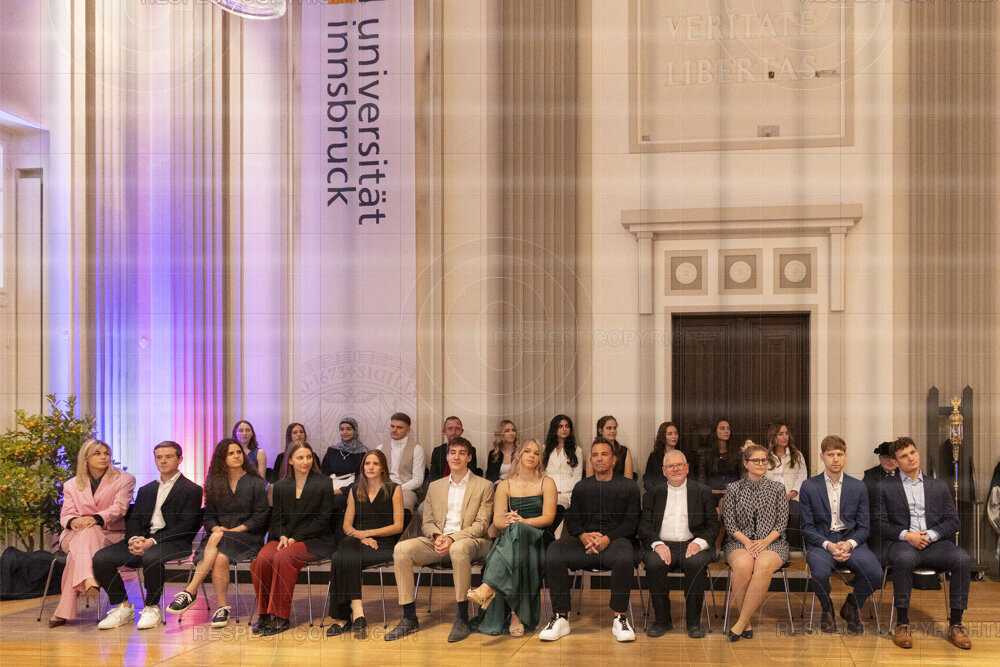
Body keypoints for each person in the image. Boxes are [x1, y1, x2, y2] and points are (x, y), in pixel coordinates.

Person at [385, 437, 493, 643]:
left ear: (469, 458)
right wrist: (437, 536)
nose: (456, 457)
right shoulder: (435, 486)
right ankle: (409, 617)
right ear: (447, 456)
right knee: (401, 549)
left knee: (458, 549)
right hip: (439, 540)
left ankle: (462, 617)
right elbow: (427, 522)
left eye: (462, 453)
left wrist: (452, 539)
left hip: (472, 541)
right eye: (453, 452)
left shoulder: (484, 485)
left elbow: (481, 526)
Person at [540, 438, 641, 643]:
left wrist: (607, 538)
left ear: (614, 460)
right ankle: (561, 617)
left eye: (604, 454)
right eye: (595, 455)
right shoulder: (582, 487)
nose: (599, 459)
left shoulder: (629, 486)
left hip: (615, 542)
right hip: (585, 543)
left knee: (625, 553)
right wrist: (583, 536)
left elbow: (632, 523)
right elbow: (573, 519)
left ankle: (619, 617)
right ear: (591, 460)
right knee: (555, 550)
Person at [94, 441, 203, 630]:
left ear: (179, 459)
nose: (163, 461)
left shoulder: (192, 490)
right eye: (159, 457)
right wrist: (134, 539)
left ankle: (152, 607)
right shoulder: (147, 490)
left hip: (174, 541)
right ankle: (122, 606)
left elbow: (186, 526)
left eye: (168, 457)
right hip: (143, 540)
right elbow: (134, 519)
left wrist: (151, 541)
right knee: (101, 558)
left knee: (152, 556)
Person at [877, 436, 971, 650]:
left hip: (934, 543)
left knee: (962, 558)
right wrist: (907, 536)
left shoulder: (938, 486)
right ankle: (902, 624)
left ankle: (956, 623)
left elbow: (953, 521)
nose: (910, 458)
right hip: (903, 543)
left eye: (912, 452)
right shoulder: (884, 487)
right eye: (904, 456)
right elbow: (879, 524)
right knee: (904, 559)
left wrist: (930, 535)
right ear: (896, 462)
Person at [166, 439, 269, 627]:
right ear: (222, 458)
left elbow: (260, 517)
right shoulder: (214, 483)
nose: (237, 456)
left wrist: (234, 530)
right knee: (221, 557)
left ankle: (190, 591)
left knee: (217, 539)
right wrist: (215, 528)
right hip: (219, 538)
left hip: (247, 537)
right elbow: (209, 517)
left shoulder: (256, 483)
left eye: (239, 452)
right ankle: (222, 608)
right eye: (231, 453)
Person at [467, 439, 557, 636]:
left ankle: (488, 586)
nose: (532, 455)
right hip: (514, 539)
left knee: (517, 532)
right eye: (527, 451)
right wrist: (508, 522)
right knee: (516, 539)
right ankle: (516, 615)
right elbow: (498, 521)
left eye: (536, 453)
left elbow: (548, 518)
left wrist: (523, 521)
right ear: (518, 455)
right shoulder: (504, 485)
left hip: (539, 539)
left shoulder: (547, 482)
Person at [798, 435, 882, 634]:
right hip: (822, 541)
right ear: (822, 457)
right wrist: (829, 545)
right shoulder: (809, 486)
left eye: (839, 454)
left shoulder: (858, 486)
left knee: (876, 574)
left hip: (851, 540)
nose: (835, 459)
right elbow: (807, 527)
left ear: (845, 456)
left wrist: (849, 543)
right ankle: (826, 608)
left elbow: (864, 527)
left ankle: (852, 605)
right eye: (830, 455)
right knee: (819, 574)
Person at [250, 442, 335, 636]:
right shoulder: (281, 486)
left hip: (315, 539)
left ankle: (280, 616)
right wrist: (282, 535)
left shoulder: (323, 483)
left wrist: (295, 538)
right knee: (262, 559)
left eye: (308, 457)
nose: (305, 462)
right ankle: (264, 614)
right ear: (290, 461)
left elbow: (323, 520)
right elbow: (276, 518)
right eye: (300, 458)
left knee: (283, 557)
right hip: (285, 538)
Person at [49, 439, 135, 627]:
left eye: (106, 453)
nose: (103, 457)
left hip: (110, 535)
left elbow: (119, 508)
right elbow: (66, 514)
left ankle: (64, 610)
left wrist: (95, 518)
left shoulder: (124, 479)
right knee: (87, 533)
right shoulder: (71, 485)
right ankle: (89, 578)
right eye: (97, 453)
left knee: (79, 550)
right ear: (86, 458)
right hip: (75, 533)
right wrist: (74, 521)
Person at [638, 449, 718, 638]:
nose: (675, 469)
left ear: (687, 468)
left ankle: (693, 622)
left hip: (692, 543)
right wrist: (657, 544)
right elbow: (644, 526)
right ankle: (662, 621)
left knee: (695, 563)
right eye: (671, 466)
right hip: (662, 544)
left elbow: (713, 525)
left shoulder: (703, 491)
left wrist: (699, 543)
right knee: (654, 564)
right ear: (664, 471)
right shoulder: (652, 494)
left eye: (679, 465)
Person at [326, 449, 404, 638]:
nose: (371, 467)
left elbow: (398, 526)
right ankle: (357, 609)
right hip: (358, 541)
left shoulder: (394, 489)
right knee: (346, 547)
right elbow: (347, 526)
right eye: (367, 463)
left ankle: (342, 618)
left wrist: (368, 533)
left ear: (383, 467)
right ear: (362, 467)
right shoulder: (355, 490)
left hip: (382, 545)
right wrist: (362, 537)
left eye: (375, 463)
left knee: (339, 557)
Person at [721, 442, 789, 642]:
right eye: (756, 460)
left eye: (764, 460)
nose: (761, 464)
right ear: (745, 463)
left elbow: (782, 522)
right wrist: (748, 543)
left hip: (773, 542)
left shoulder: (777, 488)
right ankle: (747, 621)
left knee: (763, 564)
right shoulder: (733, 488)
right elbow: (729, 523)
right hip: (739, 542)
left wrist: (764, 542)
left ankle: (741, 622)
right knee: (743, 565)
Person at [764, 422, 808, 550]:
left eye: (786, 433)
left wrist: (792, 493)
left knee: (795, 515)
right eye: (780, 434)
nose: (785, 437)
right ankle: (773, 545)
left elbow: (802, 477)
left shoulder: (797, 455)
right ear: (773, 436)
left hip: (792, 497)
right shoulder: (765, 456)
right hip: (771, 498)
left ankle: (786, 544)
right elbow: (762, 478)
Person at [375, 412, 425, 510]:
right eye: (392, 426)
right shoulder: (380, 448)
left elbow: (418, 480)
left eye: (399, 427)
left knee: (404, 503)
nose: (394, 430)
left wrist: (398, 489)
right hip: (383, 487)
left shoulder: (417, 449)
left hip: (407, 489)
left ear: (408, 430)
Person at [322, 417, 368, 510]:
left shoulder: (362, 452)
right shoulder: (332, 450)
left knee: (337, 502)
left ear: (355, 431)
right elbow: (323, 473)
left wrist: (343, 490)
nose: (345, 432)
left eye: (349, 429)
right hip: (330, 486)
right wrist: (326, 488)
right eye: (342, 429)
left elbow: (361, 478)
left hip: (349, 489)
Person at [862, 441, 897, 557]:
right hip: (878, 526)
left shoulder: (905, 474)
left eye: (893, 457)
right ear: (880, 458)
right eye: (887, 457)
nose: (891, 461)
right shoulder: (870, 476)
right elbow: (868, 505)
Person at [542, 414, 584, 511]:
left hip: (565, 492)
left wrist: (559, 489)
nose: (564, 429)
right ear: (554, 429)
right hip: (546, 489)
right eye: (560, 426)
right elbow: (541, 472)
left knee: (558, 505)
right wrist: (549, 489)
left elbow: (577, 477)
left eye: (567, 426)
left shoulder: (577, 450)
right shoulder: (544, 449)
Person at [695, 419, 741, 501]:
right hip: (711, 495)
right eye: (722, 428)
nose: (726, 431)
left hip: (733, 496)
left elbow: (741, 477)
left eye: (728, 428)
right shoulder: (705, 454)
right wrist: (712, 491)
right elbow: (701, 479)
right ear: (715, 432)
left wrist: (731, 491)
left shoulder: (737, 453)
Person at [427, 416, 479, 483]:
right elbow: (433, 477)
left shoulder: (470, 450)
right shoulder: (437, 451)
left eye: (457, 428)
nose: (454, 432)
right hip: (441, 485)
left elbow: (470, 475)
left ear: (462, 431)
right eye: (450, 428)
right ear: (444, 431)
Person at [642, 421, 682, 493]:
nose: (674, 436)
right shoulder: (654, 457)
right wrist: (656, 492)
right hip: (658, 494)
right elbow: (647, 480)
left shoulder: (683, 455)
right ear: (663, 436)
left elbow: (690, 479)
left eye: (676, 433)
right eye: (670, 434)